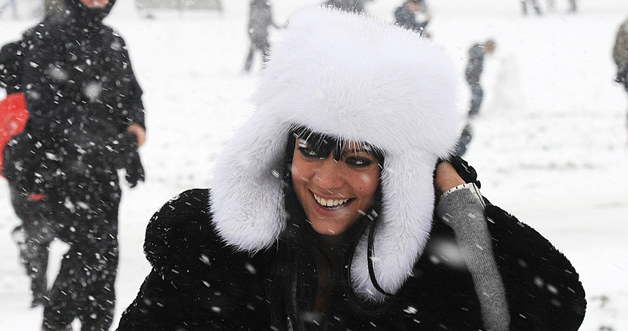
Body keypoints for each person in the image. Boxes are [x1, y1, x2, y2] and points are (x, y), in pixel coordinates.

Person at [117, 7, 585, 330]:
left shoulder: (432, 264)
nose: (327, 180)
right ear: (281, 148)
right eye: (313, 150)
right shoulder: (213, 252)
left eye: (359, 160)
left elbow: (555, 304)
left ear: (398, 175)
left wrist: (459, 203)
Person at [1, 0, 146, 330]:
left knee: (106, 258)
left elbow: (131, 97)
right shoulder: (47, 38)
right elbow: (47, 111)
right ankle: (56, 322)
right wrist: (99, 142)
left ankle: (94, 325)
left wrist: (135, 135)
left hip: (104, 171)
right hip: (60, 171)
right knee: (93, 248)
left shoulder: (112, 39)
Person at [243, 0, 281, 73]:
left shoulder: (267, 6)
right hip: (256, 36)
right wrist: (250, 33)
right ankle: (249, 71)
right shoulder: (254, 5)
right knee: (264, 55)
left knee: (266, 55)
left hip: (262, 36)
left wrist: (281, 26)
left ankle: (266, 71)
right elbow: (250, 21)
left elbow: (271, 21)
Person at [465, 39, 496, 117]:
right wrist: (474, 74)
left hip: (473, 76)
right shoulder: (480, 50)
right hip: (472, 76)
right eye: (492, 49)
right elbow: (473, 57)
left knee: (477, 93)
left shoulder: (481, 50)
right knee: (478, 93)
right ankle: (473, 113)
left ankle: (473, 112)